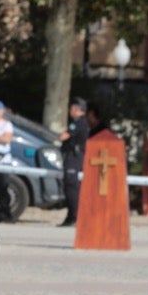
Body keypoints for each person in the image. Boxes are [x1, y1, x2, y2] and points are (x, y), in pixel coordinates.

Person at [56, 97, 89, 226]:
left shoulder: (78, 123)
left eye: (72, 108)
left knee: (71, 187)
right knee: (71, 187)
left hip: (74, 157)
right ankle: (71, 216)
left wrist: (62, 134)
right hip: (77, 156)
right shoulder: (83, 123)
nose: (70, 110)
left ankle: (74, 216)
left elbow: (63, 136)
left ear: (77, 109)